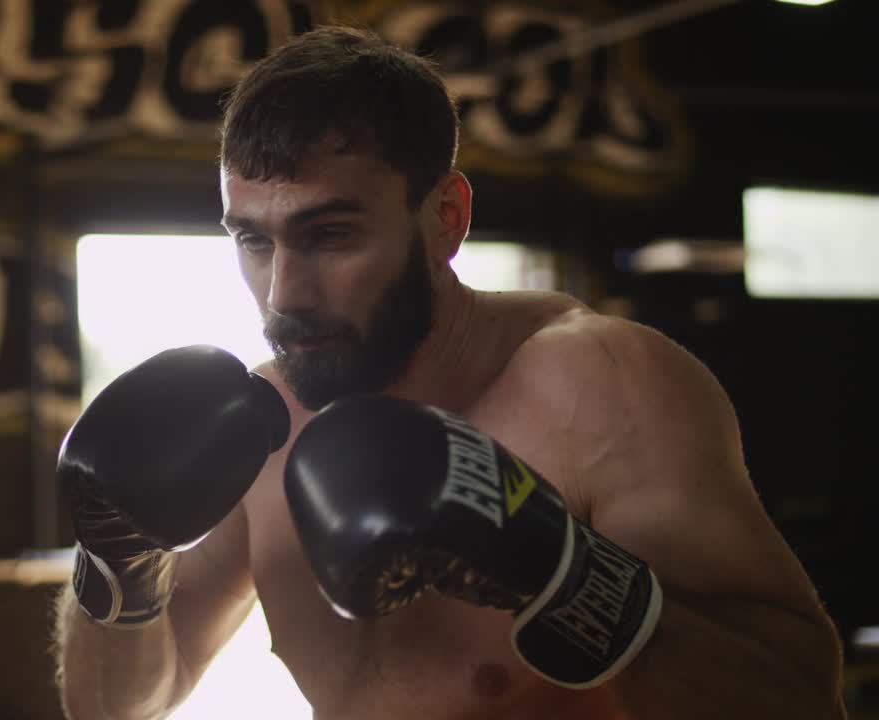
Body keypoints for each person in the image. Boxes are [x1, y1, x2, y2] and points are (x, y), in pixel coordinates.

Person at [51, 25, 846, 720]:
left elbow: (799, 701)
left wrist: (564, 575)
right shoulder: (261, 425)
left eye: (331, 235)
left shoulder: (601, 385)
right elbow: (116, 706)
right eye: (255, 241)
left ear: (446, 218)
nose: (285, 294)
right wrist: (118, 567)